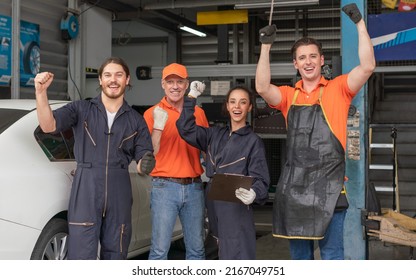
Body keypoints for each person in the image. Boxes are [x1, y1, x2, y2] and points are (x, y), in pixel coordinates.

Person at [255, 4, 375, 260]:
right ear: (295, 64)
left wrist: (360, 24)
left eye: (312, 56)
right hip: (295, 190)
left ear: (321, 60)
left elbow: (367, 67)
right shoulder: (289, 95)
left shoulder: (339, 89)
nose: (308, 62)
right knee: (300, 260)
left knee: (333, 255)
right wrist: (265, 46)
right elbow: (263, 87)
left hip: (331, 190)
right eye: (302, 58)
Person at [34, 57, 155, 260]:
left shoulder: (136, 120)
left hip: (120, 189)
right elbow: (49, 126)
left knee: (116, 253)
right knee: (82, 254)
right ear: (100, 80)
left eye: (118, 75)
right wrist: (41, 92)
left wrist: (147, 162)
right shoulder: (81, 109)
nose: (113, 80)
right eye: (107, 75)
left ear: (127, 80)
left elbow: (143, 161)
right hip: (86, 186)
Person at [177, 84, 270, 260]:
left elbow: (261, 179)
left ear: (249, 107)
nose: (237, 106)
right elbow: (185, 128)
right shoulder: (214, 134)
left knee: (237, 252)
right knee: (216, 250)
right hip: (212, 201)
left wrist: (254, 193)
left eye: (243, 102)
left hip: (236, 204)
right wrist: (191, 98)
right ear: (227, 106)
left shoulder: (253, 142)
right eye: (233, 102)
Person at [143, 63, 209, 260]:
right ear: (163, 84)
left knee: (197, 250)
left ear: (187, 84)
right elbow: (148, 154)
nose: (175, 86)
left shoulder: (199, 113)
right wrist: (158, 127)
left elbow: (207, 149)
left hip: (194, 187)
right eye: (170, 82)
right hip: (164, 187)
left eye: (180, 82)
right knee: (159, 250)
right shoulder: (151, 113)